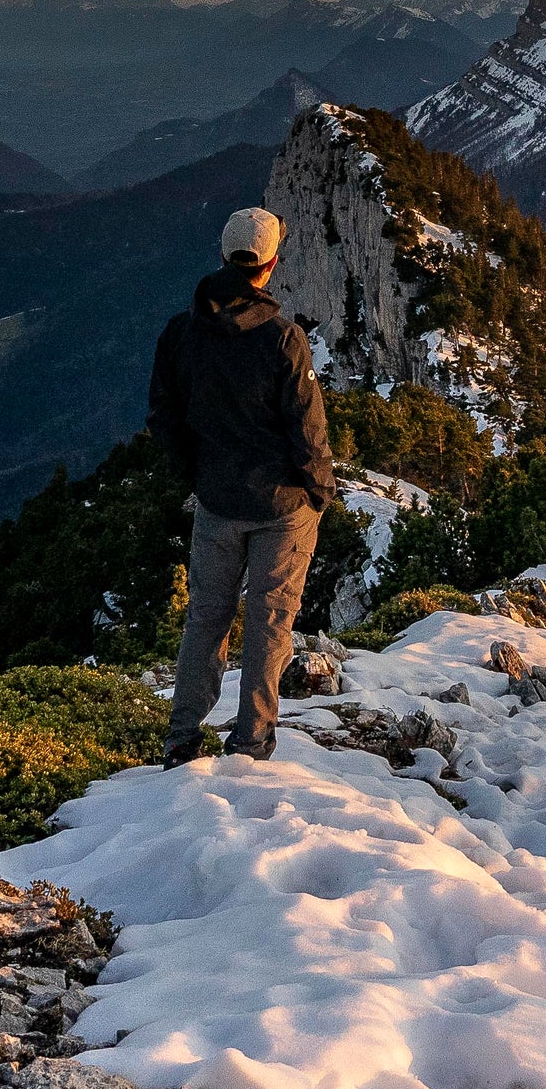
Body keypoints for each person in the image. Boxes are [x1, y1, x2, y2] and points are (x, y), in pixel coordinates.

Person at [147, 206, 336, 766]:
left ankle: (182, 736)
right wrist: (320, 493)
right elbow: (307, 428)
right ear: (272, 264)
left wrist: (195, 475)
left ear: (224, 257)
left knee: (206, 614)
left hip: (218, 501)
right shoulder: (283, 338)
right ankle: (252, 743)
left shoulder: (181, 334)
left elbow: (163, 416)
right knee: (270, 620)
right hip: (281, 505)